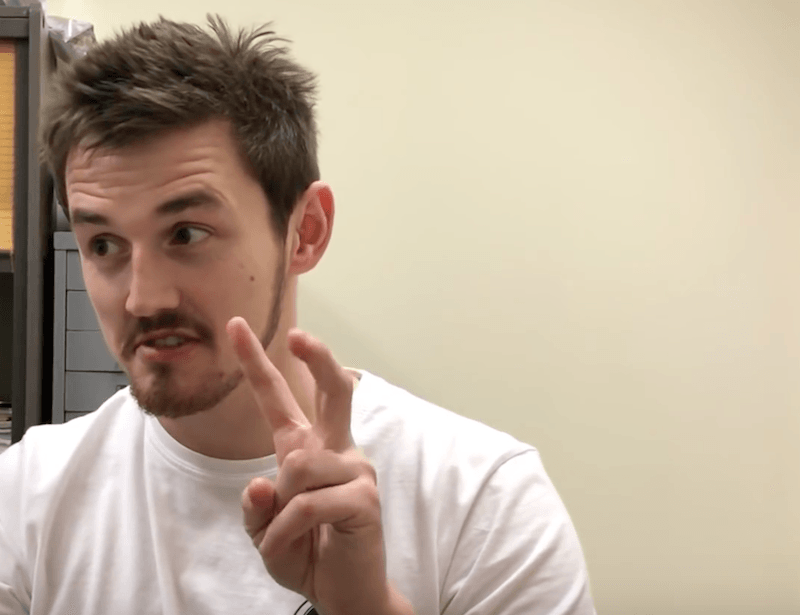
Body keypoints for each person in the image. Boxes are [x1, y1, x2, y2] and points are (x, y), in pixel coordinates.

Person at [0, 16, 597, 615]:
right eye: (104, 245)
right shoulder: (27, 495)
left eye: (187, 233)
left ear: (305, 232)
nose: (142, 300)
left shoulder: (485, 503)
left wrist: (366, 607)